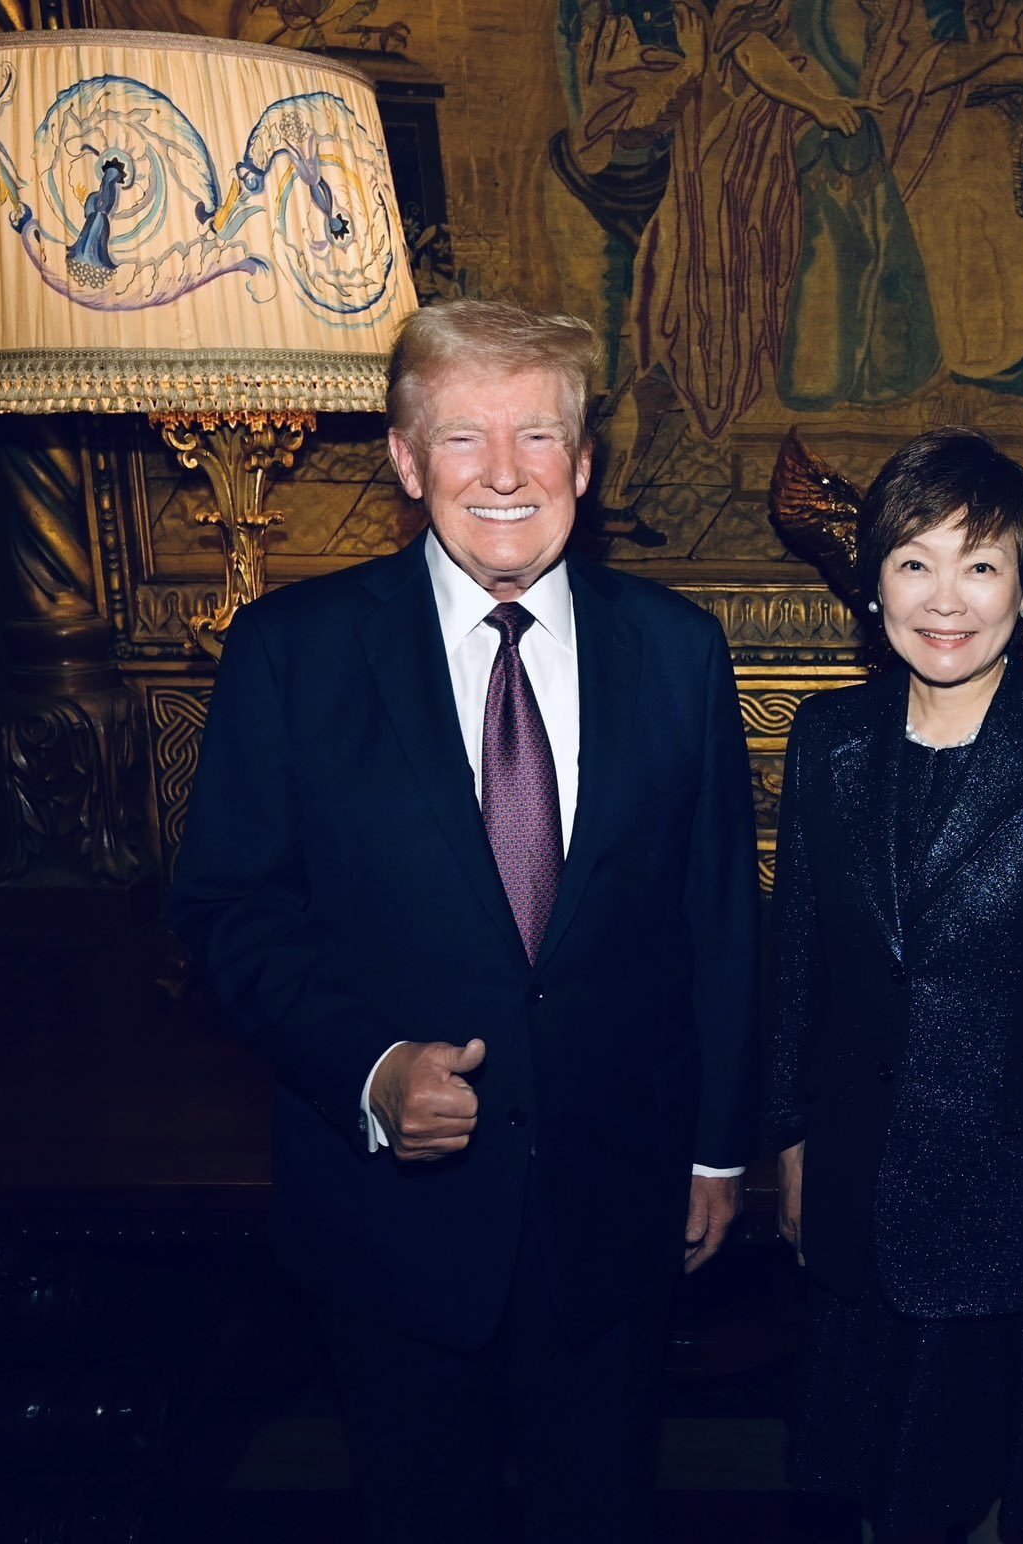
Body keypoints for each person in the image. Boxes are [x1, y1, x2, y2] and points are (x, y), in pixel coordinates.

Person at [169, 299, 759, 1543]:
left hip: (614, 1213)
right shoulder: (292, 652)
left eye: (537, 438)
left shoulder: (676, 650)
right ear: (402, 459)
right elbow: (231, 911)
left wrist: (714, 1149)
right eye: (462, 440)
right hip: (392, 1225)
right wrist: (369, 1068)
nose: (503, 474)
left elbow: (714, 917)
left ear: (584, 464)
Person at [764, 428, 1023, 1543]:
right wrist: (788, 1141)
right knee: (861, 1493)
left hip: (1011, 1216)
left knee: (985, 1504)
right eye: (914, 561)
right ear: (873, 583)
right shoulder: (825, 740)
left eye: (980, 564)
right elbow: (796, 955)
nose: (946, 597)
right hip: (854, 1196)